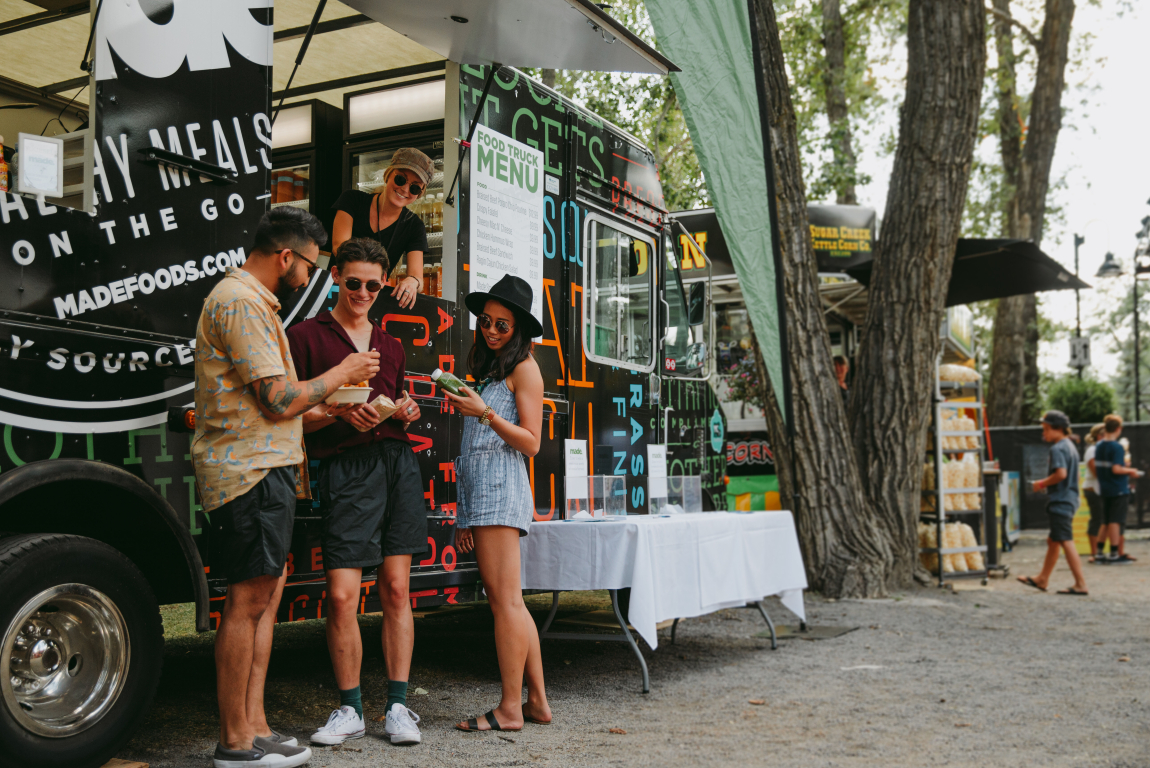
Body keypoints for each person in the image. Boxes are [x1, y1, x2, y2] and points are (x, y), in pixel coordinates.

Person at [193, 207, 380, 768]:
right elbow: (277, 398)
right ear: (285, 257)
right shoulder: (241, 301)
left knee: (264, 600)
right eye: (310, 267)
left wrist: (332, 406)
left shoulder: (252, 301)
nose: (312, 279)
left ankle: (254, 728)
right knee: (248, 602)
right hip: (247, 471)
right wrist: (342, 375)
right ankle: (234, 742)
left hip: (267, 467)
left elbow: (283, 402)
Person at [286, 238, 426, 746]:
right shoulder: (305, 336)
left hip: (396, 464)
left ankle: (398, 706)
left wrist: (405, 408)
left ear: (384, 283)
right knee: (343, 596)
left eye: (373, 284)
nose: (363, 292)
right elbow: (290, 416)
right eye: (353, 283)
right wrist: (339, 413)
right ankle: (350, 709)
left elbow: (400, 395)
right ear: (334, 278)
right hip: (345, 468)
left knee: (395, 589)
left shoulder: (390, 344)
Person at [446, 274, 552, 733]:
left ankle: (510, 709)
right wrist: (464, 515)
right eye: (485, 322)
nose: (490, 331)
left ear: (519, 330)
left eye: (502, 326)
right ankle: (536, 702)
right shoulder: (492, 369)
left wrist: (484, 412)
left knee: (505, 603)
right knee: (512, 603)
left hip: (501, 494)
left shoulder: (524, 368)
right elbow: (473, 451)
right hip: (484, 498)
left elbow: (531, 443)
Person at [331, 147, 434, 310]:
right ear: (388, 174)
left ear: (419, 194)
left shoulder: (414, 226)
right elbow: (339, 247)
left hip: (371, 300)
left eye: (415, 188)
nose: (405, 189)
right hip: (336, 291)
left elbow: (418, 278)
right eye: (401, 179)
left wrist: (412, 281)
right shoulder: (352, 200)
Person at [1016, 410, 1089, 596]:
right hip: (1070, 499)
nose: (1044, 433)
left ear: (1058, 429)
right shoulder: (1070, 445)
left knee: (1065, 540)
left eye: (1047, 429)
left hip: (1061, 501)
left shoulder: (1058, 448)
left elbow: (1061, 474)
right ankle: (1042, 578)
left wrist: (1041, 483)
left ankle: (1080, 584)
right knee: (1053, 540)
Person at [1091, 414, 1143, 564]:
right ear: (1118, 429)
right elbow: (1116, 469)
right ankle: (1114, 554)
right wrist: (1131, 471)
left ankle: (1099, 553)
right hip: (1118, 488)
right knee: (1115, 521)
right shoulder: (1117, 447)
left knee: (1105, 521)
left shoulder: (1099, 446)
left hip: (1104, 488)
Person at [1082, 423, 1106, 562]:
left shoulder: (1100, 449)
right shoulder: (1092, 450)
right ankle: (1094, 553)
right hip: (1093, 489)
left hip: (1100, 489)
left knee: (1101, 519)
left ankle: (1098, 552)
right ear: (1099, 435)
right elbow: (1096, 471)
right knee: (1097, 519)